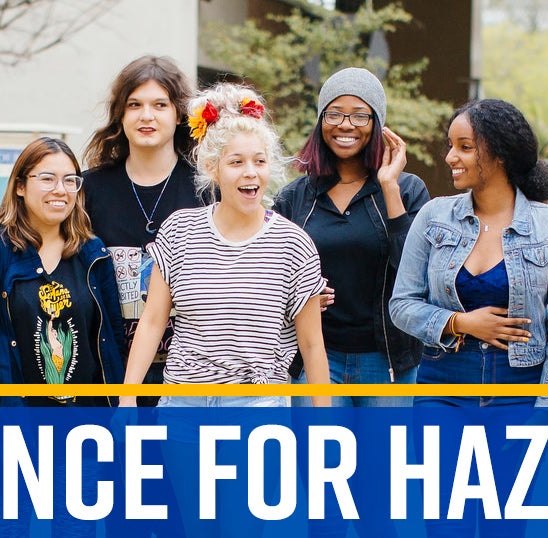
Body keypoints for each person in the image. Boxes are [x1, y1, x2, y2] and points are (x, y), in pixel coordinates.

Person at [119, 81, 330, 538]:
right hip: (184, 410)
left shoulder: (293, 244)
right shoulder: (179, 231)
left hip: (258, 408)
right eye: (236, 162)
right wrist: (128, 395)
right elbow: (153, 322)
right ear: (213, 168)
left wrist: (322, 417)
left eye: (258, 161)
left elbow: (312, 345)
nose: (249, 172)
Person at [389, 99, 548, 408]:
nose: (451, 157)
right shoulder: (434, 217)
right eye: (450, 146)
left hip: (520, 391)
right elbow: (401, 305)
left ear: (500, 155)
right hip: (442, 386)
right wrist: (460, 322)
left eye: (464, 147)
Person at [272, 67, 432, 407]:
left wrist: (389, 187)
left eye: (360, 115)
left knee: (385, 462)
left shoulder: (408, 189)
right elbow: (271, 282)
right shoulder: (295, 197)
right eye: (334, 113)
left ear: (377, 125)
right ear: (320, 122)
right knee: (319, 460)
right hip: (316, 358)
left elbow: (417, 274)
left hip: (386, 360)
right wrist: (300, 297)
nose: (346, 125)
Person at [0, 136, 128, 409]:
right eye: (48, 179)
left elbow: (112, 337)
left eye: (70, 180)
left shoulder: (92, 252)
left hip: (89, 419)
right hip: (18, 417)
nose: (60, 190)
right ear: (20, 187)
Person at [80, 56, 210, 406]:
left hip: (188, 371)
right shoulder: (89, 189)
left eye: (159, 105)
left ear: (179, 114)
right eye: (134, 105)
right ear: (120, 115)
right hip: (108, 365)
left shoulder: (208, 187)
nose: (146, 116)